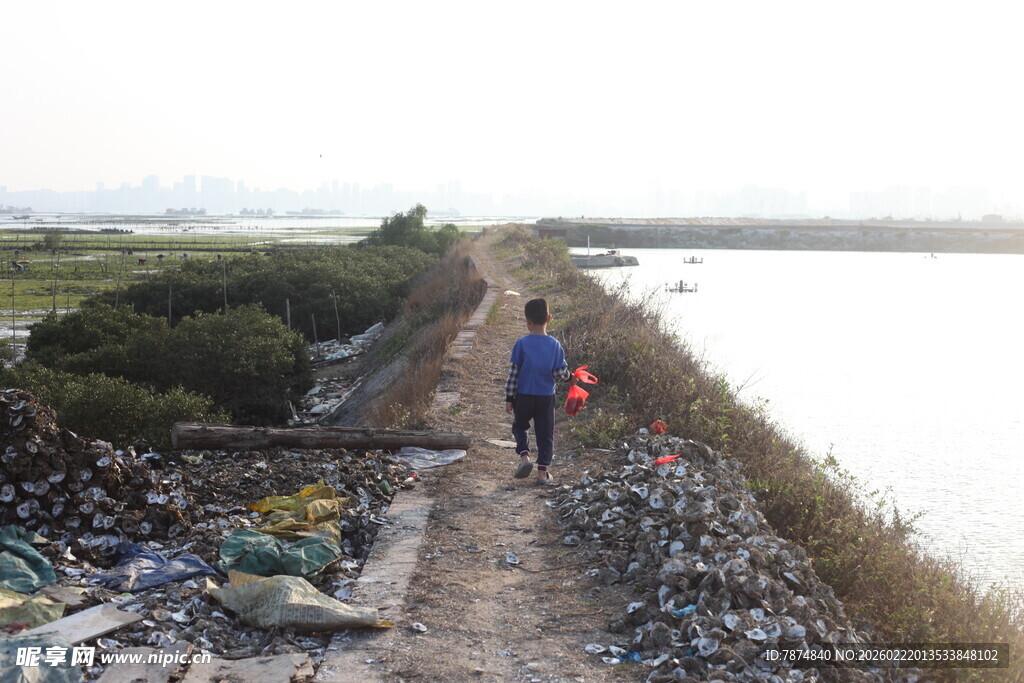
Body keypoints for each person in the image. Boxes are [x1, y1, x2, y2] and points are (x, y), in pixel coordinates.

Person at [504, 298, 576, 485]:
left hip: (524, 396)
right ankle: (542, 473)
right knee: (545, 434)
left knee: (520, 426)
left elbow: (514, 374)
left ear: (527, 321)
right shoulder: (554, 345)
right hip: (545, 397)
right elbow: (560, 372)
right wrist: (571, 378)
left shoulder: (522, 343)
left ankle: (525, 457)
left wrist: (509, 398)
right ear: (549, 319)